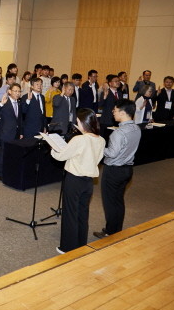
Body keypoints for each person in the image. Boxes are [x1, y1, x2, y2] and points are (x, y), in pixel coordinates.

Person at [50, 108, 105, 254]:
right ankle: (81, 243)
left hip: (74, 180)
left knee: (70, 213)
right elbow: (97, 159)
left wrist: (53, 148)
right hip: (88, 182)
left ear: (81, 122)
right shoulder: (101, 140)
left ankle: (67, 247)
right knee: (82, 212)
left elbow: (60, 156)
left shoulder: (79, 139)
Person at [93, 99, 141, 239]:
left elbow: (112, 153)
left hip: (114, 171)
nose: (113, 112)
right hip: (128, 170)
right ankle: (116, 229)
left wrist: (100, 147)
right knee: (118, 201)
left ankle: (109, 232)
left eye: (115, 110)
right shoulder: (136, 128)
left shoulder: (118, 133)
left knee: (110, 203)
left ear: (122, 112)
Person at [0, 83, 23, 178]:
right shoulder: (5, 102)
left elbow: (20, 119)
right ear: (9, 92)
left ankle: (9, 171)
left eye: (19, 91)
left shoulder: (19, 103)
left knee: (12, 154)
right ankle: (0, 174)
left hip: (16, 134)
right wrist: (1, 104)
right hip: (5, 133)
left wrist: (21, 132)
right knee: (3, 154)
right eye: (15, 91)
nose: (17, 93)